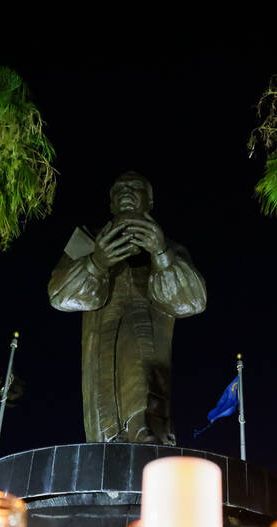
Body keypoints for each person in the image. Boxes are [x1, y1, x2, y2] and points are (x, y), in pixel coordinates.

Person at [49, 172, 206, 444]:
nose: (126, 192)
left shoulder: (170, 247)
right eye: (118, 189)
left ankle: (144, 429)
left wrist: (161, 255)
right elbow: (59, 295)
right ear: (110, 204)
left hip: (150, 351)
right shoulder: (87, 240)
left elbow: (192, 302)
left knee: (142, 364)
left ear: (150, 200)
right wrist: (96, 262)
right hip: (102, 358)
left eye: (135, 188)